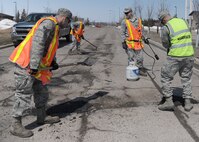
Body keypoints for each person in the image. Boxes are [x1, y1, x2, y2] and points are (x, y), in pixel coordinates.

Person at [9, 8, 72, 138]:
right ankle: (15, 125)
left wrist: (52, 62)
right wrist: (33, 65)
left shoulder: (54, 27)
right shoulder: (49, 24)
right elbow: (38, 43)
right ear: (65, 18)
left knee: (42, 91)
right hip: (26, 65)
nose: (68, 25)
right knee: (23, 95)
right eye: (68, 22)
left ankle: (41, 117)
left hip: (37, 66)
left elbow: (50, 47)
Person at [158, 11, 195, 111]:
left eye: (162, 22)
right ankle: (188, 103)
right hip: (189, 54)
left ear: (163, 19)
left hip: (175, 56)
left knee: (165, 77)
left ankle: (169, 101)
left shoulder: (166, 27)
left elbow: (166, 44)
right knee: (186, 78)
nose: (163, 24)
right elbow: (188, 35)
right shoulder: (184, 21)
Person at [121, 7, 148, 76]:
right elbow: (122, 33)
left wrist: (145, 38)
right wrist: (123, 42)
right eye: (125, 13)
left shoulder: (138, 20)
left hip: (138, 43)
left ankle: (140, 70)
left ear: (131, 12)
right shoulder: (124, 22)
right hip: (129, 44)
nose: (126, 14)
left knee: (140, 58)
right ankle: (132, 73)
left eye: (127, 13)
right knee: (131, 59)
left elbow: (141, 31)